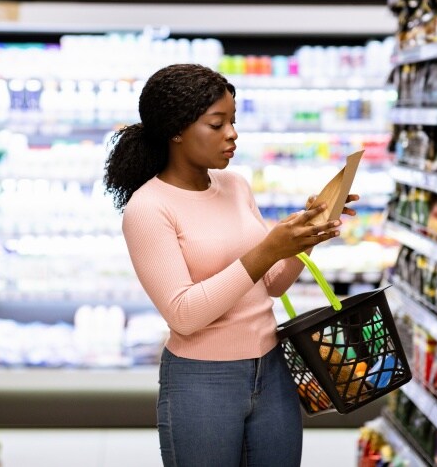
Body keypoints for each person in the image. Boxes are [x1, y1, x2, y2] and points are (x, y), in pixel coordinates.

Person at [103, 63, 359, 467]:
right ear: (176, 130)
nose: (233, 134)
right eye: (217, 124)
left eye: (233, 121)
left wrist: (306, 235)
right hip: (202, 381)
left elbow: (270, 284)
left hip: (272, 369)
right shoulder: (148, 208)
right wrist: (266, 250)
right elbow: (185, 314)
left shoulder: (235, 185)